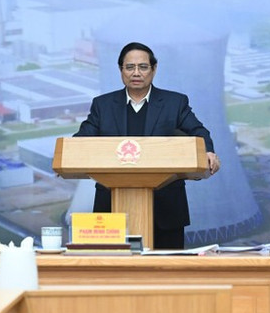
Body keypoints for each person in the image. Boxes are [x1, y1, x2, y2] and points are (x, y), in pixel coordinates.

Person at [74, 42, 220, 249]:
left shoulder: (174, 103)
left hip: (166, 209)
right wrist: (68, 155)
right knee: (112, 268)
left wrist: (208, 151)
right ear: (121, 70)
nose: (136, 73)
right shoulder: (103, 105)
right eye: (130, 67)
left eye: (143, 67)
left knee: (165, 269)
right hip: (111, 210)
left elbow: (198, 132)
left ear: (154, 69)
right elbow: (81, 141)